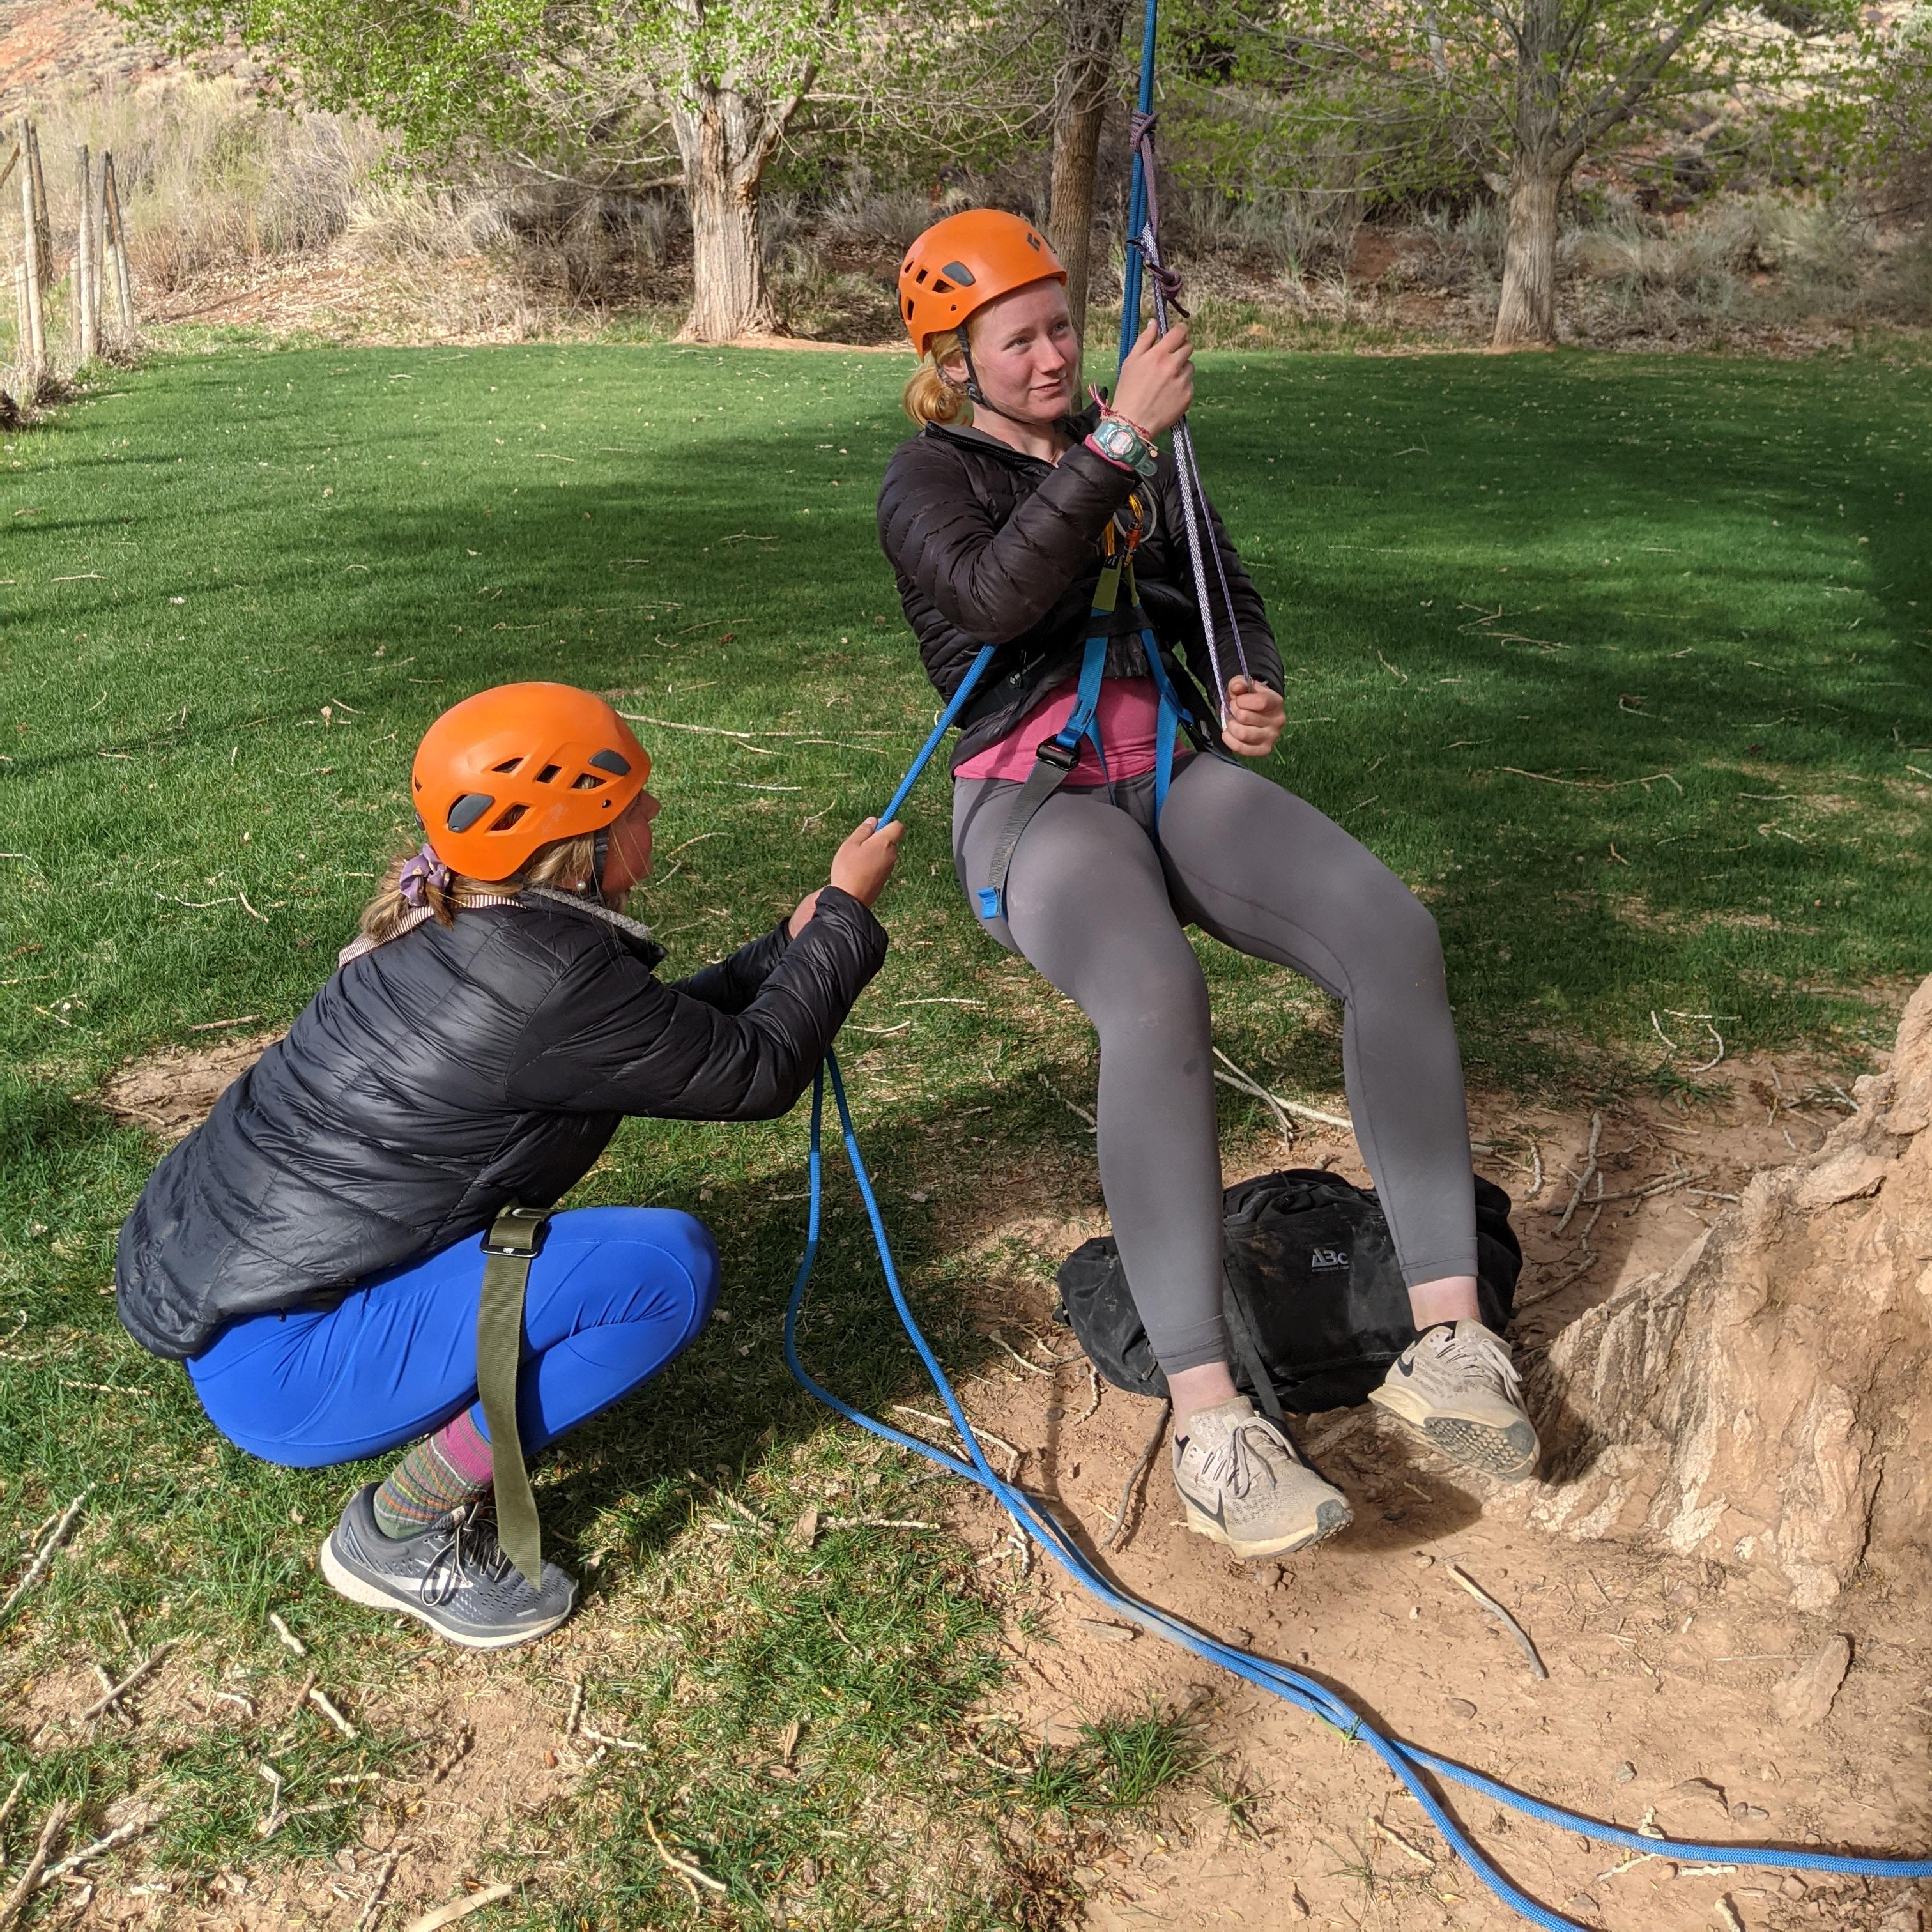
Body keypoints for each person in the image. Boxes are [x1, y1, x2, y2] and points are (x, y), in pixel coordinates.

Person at [877, 208, 1537, 1561]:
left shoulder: (1130, 450)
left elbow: (1217, 586)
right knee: (1156, 998)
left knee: (1389, 932)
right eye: (1021, 340)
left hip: (1169, 768)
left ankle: (1452, 1337)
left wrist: (1251, 683)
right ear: (954, 361)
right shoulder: (926, 481)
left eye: (1064, 326)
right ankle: (1212, 1424)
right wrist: (1120, 443)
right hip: (1035, 808)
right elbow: (1000, 599)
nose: (1056, 355)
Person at [116, 681, 901, 1649]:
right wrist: (847, 921)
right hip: (289, 1370)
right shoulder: (548, 981)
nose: (653, 811)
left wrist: (787, 948)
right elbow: (757, 1071)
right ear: (579, 845)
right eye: (631, 804)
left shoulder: (465, 924)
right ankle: (399, 1530)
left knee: (627, 1264)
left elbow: (649, 1042)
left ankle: (422, 1419)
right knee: (662, 1272)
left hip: (251, 1317)